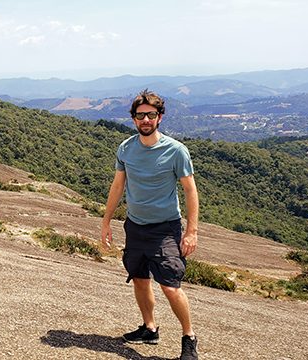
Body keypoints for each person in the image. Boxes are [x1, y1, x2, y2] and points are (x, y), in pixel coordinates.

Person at [100, 89, 200, 360]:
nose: (146, 120)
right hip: (135, 226)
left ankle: (189, 337)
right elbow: (118, 185)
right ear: (133, 119)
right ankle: (149, 328)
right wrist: (107, 220)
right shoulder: (126, 148)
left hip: (165, 228)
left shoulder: (176, 151)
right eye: (140, 115)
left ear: (160, 117)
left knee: (170, 285)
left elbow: (190, 191)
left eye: (151, 115)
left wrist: (191, 232)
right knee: (141, 280)